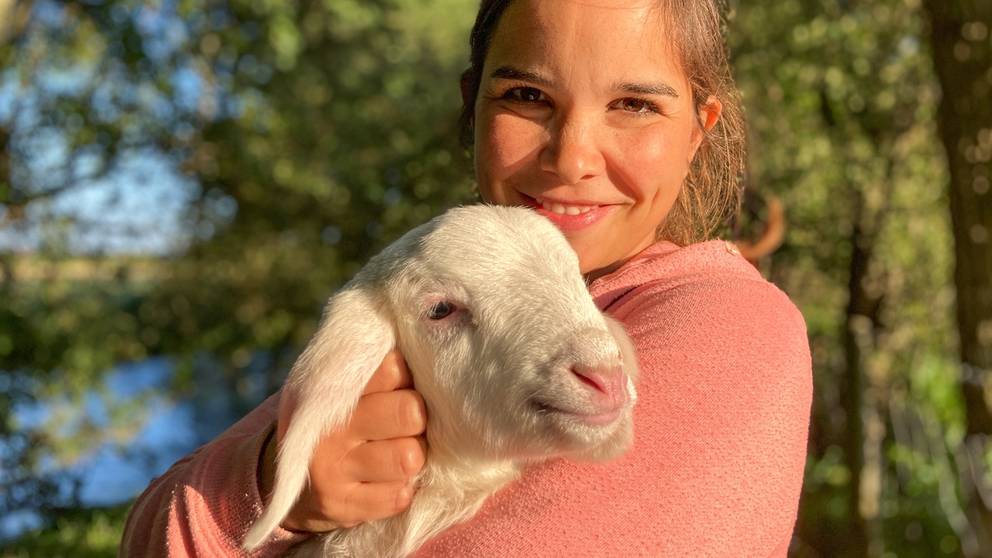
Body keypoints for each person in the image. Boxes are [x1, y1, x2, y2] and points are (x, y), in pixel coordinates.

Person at [121, 0, 812, 556]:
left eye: (634, 105)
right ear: (472, 103)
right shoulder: (429, 287)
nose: (573, 157)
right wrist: (274, 483)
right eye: (527, 94)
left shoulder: (732, 327)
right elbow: (152, 531)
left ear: (698, 128)